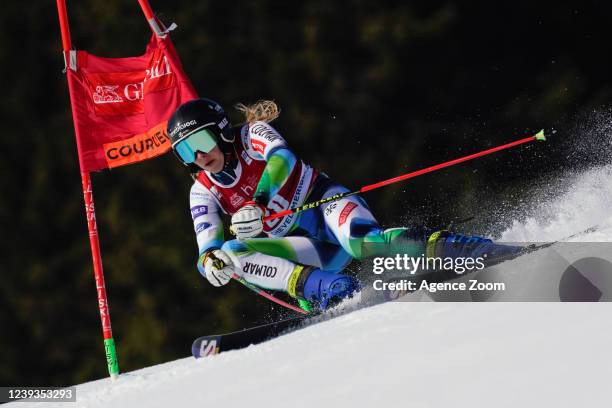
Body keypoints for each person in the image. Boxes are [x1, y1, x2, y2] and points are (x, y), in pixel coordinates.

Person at [167, 98, 520, 311]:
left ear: (222, 130)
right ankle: (332, 291)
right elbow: (207, 249)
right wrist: (211, 265)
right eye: (185, 150)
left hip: (322, 204)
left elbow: (283, 160)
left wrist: (259, 203)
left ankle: (465, 249)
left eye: (200, 140)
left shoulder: (252, 135)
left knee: (363, 242)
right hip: (307, 248)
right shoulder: (202, 191)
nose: (197, 155)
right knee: (230, 252)